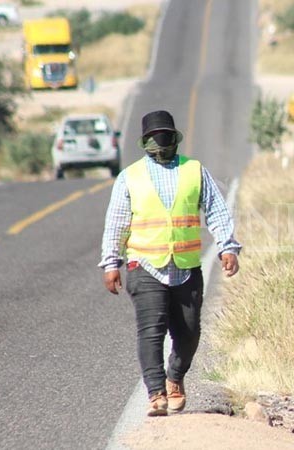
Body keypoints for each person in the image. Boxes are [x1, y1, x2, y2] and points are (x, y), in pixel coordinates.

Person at [99, 110, 241, 416]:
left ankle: (175, 377)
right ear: (146, 141)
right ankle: (156, 393)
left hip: (186, 267)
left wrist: (227, 247)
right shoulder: (130, 177)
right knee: (151, 330)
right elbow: (117, 224)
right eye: (155, 137)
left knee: (189, 332)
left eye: (165, 135)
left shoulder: (194, 170)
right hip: (144, 264)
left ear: (174, 138)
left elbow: (216, 210)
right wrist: (111, 263)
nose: (160, 142)